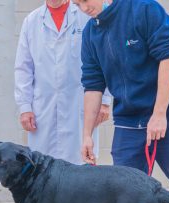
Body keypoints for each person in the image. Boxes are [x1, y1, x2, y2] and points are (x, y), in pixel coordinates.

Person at [74, 0, 169, 203]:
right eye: (77, 4)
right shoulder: (90, 34)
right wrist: (86, 135)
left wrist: (159, 114)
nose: (83, 9)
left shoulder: (143, 8)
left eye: (84, 0)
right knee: (126, 197)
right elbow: (93, 85)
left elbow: (168, 57)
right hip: (128, 123)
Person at [15, 0, 112, 164]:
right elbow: (23, 68)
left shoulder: (85, 15)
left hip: (80, 105)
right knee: (42, 169)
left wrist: (105, 101)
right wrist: (25, 108)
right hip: (43, 110)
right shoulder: (31, 21)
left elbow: (106, 58)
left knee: (80, 168)